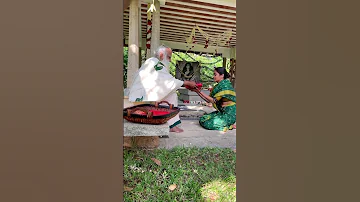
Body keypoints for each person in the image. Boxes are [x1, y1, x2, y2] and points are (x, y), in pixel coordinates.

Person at [128, 45, 197, 133]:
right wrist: (187, 83)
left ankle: (169, 123)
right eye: (169, 57)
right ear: (161, 55)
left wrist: (183, 83)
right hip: (143, 95)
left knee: (170, 93)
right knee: (172, 94)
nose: (170, 60)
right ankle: (171, 125)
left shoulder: (151, 61)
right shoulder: (157, 64)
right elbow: (168, 82)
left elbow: (165, 82)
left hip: (141, 93)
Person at [189, 67, 236, 132]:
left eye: (215, 74)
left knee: (207, 123)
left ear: (222, 75)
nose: (213, 76)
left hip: (230, 114)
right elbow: (208, 100)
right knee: (203, 119)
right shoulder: (218, 86)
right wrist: (197, 91)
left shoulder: (225, 85)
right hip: (222, 112)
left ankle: (228, 126)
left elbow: (213, 101)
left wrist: (199, 91)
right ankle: (226, 124)